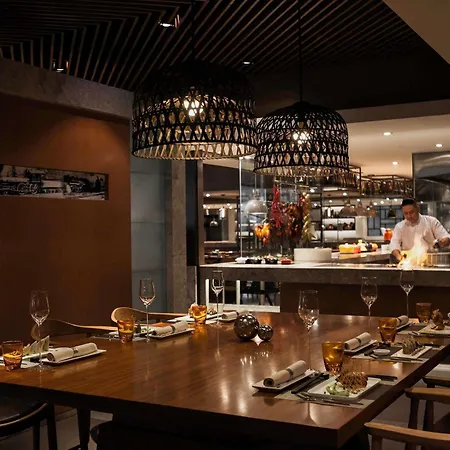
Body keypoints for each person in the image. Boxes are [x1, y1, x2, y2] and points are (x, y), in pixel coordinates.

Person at [390, 198, 450, 262]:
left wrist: (445, 240)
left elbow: (444, 236)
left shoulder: (431, 221)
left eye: (411, 212)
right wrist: (398, 256)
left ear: (418, 209)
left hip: (431, 260)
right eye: (405, 213)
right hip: (409, 261)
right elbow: (394, 244)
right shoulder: (399, 227)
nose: (409, 216)